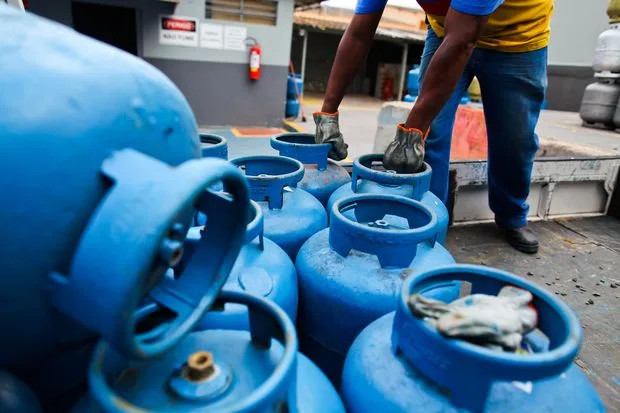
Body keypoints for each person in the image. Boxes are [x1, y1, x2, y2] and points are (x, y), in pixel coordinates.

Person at [314, 0, 553, 254]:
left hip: (518, 38)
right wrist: (328, 113)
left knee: (514, 140)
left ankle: (511, 215)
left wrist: (410, 133)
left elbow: (463, 41)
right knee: (432, 135)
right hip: (446, 32)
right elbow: (359, 33)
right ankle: (430, 218)